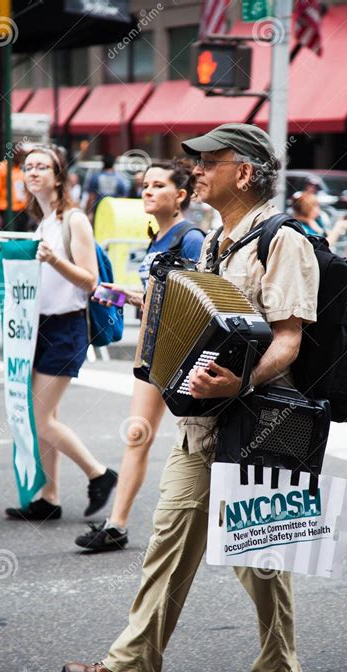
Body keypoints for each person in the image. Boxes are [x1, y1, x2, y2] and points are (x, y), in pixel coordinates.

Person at [62, 123, 319, 672]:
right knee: (168, 542)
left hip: (260, 426)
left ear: (245, 172)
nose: (195, 171)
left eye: (209, 161)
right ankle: (130, 669)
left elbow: (288, 340)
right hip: (200, 424)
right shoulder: (209, 242)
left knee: (257, 560)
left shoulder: (283, 240)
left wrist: (240, 380)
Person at [75, 158, 205, 552]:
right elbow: (160, 296)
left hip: (181, 354)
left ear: (179, 195)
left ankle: (216, 524)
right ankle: (116, 526)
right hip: (150, 349)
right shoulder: (158, 236)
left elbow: (204, 298)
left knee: (201, 444)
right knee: (137, 434)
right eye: (145, 184)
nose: (147, 191)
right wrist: (130, 296)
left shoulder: (192, 237)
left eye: (158, 185)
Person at [0, 143, 118, 522]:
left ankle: (99, 473)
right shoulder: (43, 222)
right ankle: (48, 497)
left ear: (58, 176)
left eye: (41, 167)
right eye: (28, 167)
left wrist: (54, 259)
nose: (32, 173)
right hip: (38, 326)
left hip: (65, 328)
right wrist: (10, 251)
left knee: (39, 418)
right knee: (45, 414)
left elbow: (90, 281)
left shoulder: (73, 219)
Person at [0, 146, 28, 232]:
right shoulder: (0, 168)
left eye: (22, 156)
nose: (21, 158)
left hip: (22, 210)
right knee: (8, 239)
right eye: (19, 155)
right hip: (6, 211)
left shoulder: (22, 168)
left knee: (22, 239)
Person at [85, 154, 129, 222]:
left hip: (99, 210)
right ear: (113, 164)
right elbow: (123, 198)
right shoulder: (119, 179)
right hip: (114, 211)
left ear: (103, 164)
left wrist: (88, 211)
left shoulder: (95, 177)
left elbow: (91, 197)